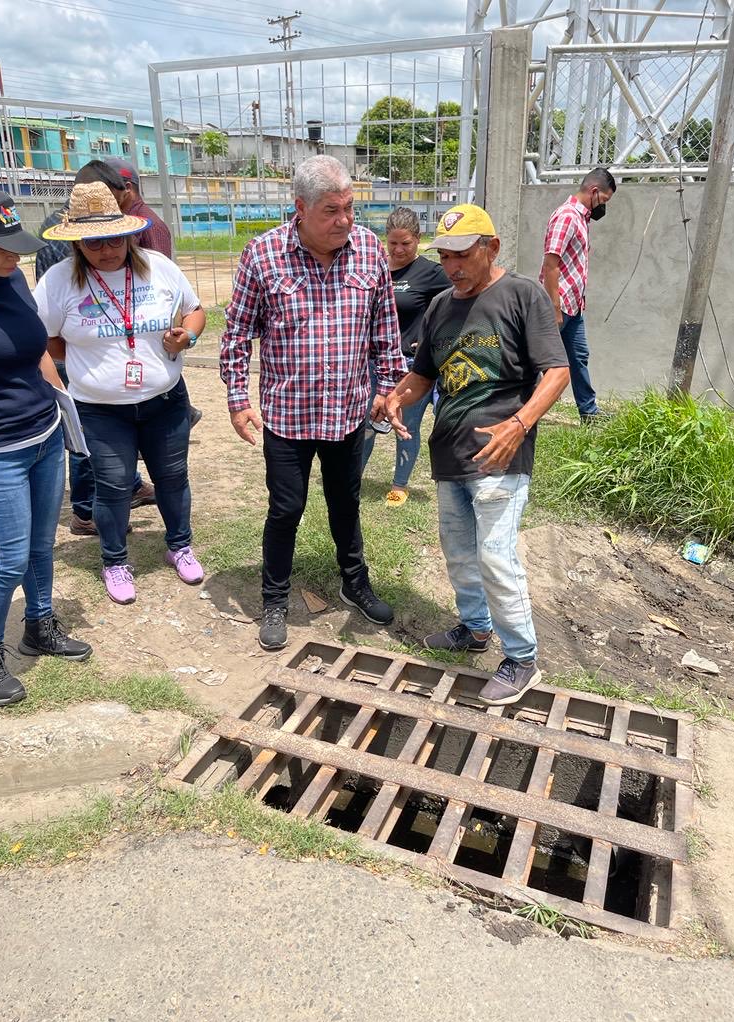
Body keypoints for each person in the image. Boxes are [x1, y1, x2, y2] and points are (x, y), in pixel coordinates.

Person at [383, 204, 570, 707]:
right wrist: (398, 396)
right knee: (461, 551)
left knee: (495, 554)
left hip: (499, 454)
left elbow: (556, 372)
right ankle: (474, 628)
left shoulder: (522, 295)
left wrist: (519, 424)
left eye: (462, 255)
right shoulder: (441, 305)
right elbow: (424, 373)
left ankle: (522, 657)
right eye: (444, 257)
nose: (452, 267)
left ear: (492, 248)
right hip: (449, 451)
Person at [221, 155, 407, 651]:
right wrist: (239, 399)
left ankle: (354, 582)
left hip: (348, 411)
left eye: (349, 208)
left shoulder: (369, 250)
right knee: (287, 508)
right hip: (288, 414)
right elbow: (237, 334)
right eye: (331, 211)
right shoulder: (263, 255)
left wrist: (388, 389)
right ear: (299, 208)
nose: (344, 220)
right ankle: (275, 597)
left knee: (346, 503)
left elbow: (384, 331)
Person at [34, 182, 206, 606]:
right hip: (100, 411)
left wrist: (188, 337)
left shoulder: (158, 266)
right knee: (111, 487)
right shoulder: (58, 282)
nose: (106, 250)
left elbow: (194, 310)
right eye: (93, 243)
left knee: (172, 477)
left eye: (113, 239)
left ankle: (179, 545)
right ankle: (114, 561)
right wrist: (83, 361)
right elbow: (46, 338)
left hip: (165, 401)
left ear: (128, 234)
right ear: (77, 243)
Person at [0, 185, 92, 707]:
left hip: (43, 436)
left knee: (39, 547)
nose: (15, 253)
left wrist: (64, 407)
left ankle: (39, 624)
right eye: (2, 244)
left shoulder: (12, 284)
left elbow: (36, 352)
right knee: (7, 558)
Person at [35, 160, 157, 536]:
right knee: (88, 442)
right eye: (93, 242)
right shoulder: (59, 260)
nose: (105, 249)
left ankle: (122, 488)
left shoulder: (132, 259)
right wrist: (70, 355)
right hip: (80, 356)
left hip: (110, 359)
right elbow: (46, 327)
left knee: (107, 442)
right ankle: (87, 510)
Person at [103, 157, 203, 431]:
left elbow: (165, 286)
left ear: (126, 188)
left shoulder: (149, 224)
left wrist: (179, 332)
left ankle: (180, 413)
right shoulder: (123, 221)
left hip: (149, 326)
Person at [362, 207, 449, 507]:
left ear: (418, 240)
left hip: (410, 367)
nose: (398, 250)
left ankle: (400, 484)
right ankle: (352, 478)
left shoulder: (432, 273)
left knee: (406, 427)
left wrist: (430, 342)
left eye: (406, 244)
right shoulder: (377, 269)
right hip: (373, 364)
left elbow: (456, 304)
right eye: (393, 243)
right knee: (366, 425)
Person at [539, 167, 616, 423]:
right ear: (594, 191)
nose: (603, 207)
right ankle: (521, 408)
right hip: (559, 305)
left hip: (574, 306)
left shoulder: (581, 218)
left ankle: (589, 412)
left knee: (579, 357)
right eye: (603, 200)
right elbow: (551, 263)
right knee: (535, 360)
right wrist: (555, 307)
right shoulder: (567, 216)